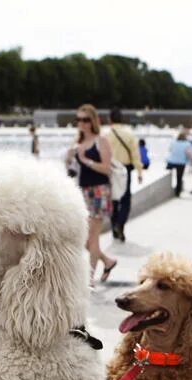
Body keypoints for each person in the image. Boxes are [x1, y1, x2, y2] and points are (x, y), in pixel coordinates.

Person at [66, 103, 116, 286]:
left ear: (93, 121)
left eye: (86, 120)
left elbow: (107, 168)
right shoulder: (77, 141)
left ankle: (89, 280)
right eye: (79, 119)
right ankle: (108, 261)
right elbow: (71, 170)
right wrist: (69, 159)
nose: (82, 123)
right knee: (86, 238)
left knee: (92, 237)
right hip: (82, 192)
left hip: (99, 191)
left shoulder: (101, 140)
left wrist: (86, 160)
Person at [105, 107, 143, 242]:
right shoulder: (129, 134)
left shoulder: (106, 134)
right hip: (125, 170)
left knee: (113, 200)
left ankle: (114, 226)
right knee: (126, 199)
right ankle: (120, 224)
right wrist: (139, 172)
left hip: (110, 169)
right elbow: (135, 154)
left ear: (110, 119)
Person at [166, 130, 192, 196]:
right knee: (179, 177)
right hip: (181, 163)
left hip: (172, 161)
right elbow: (189, 154)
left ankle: (170, 187)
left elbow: (170, 150)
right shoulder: (187, 144)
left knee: (168, 174)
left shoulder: (173, 142)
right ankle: (177, 192)